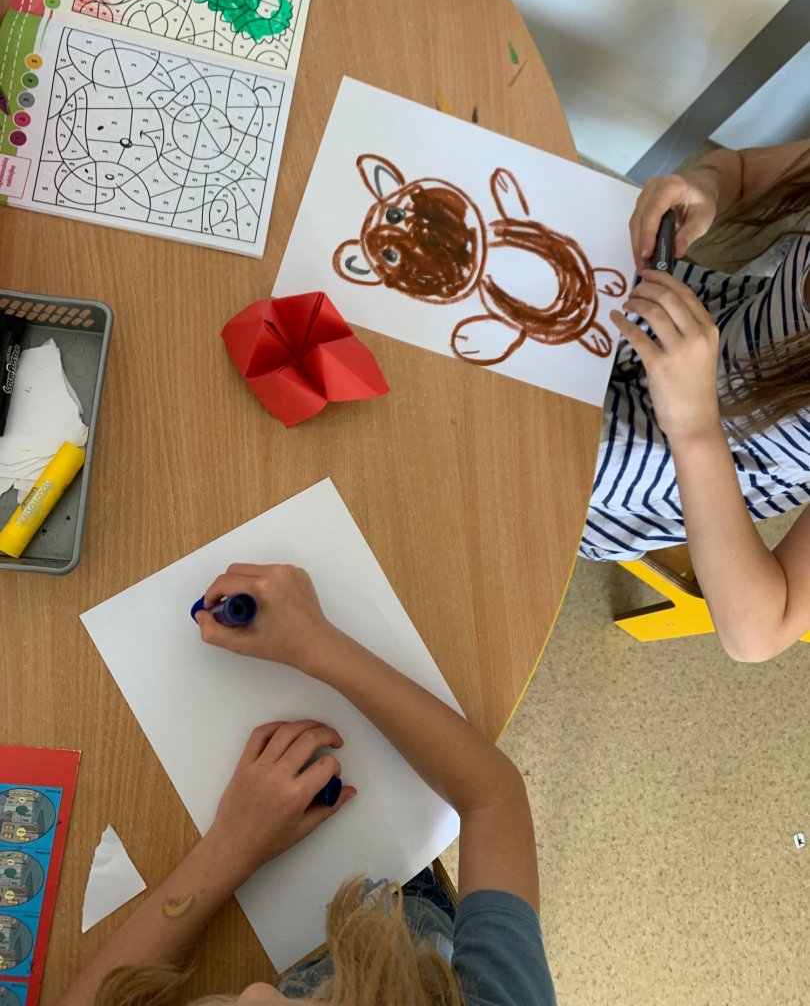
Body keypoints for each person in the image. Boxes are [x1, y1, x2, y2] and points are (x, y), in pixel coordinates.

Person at [57, 564, 556, 1006]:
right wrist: (320, 646)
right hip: (413, 922)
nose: (255, 990)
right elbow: (494, 799)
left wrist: (230, 848)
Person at [580, 139, 810, 663]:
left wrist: (695, 427)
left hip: (683, 459)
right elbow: (741, 169)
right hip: (693, 316)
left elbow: (760, 633)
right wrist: (706, 186)